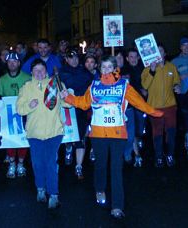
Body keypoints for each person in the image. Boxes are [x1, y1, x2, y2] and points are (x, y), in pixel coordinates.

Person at [61, 56, 163, 219]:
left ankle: (117, 206)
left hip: (118, 134)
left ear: (116, 68)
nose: (106, 70)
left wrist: (152, 112)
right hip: (98, 134)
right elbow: (83, 103)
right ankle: (100, 188)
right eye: (104, 67)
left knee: (116, 169)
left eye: (110, 67)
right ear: (100, 69)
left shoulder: (124, 85)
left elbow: (138, 102)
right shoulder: (94, 85)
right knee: (101, 165)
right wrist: (68, 97)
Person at [16, 59, 70, 209]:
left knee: (51, 162)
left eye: (42, 70)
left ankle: (53, 194)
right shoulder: (26, 87)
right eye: (36, 70)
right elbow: (19, 109)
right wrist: (29, 105)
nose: (39, 73)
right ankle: (40, 188)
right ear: (32, 72)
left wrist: (66, 96)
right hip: (34, 133)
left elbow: (67, 104)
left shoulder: (56, 83)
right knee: (37, 163)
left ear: (46, 72)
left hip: (54, 131)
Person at [141, 44, 181, 168]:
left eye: (161, 51)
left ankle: (170, 155)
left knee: (171, 132)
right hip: (154, 107)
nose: (158, 54)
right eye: (156, 52)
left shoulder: (171, 67)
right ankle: (158, 157)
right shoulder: (147, 69)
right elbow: (145, 86)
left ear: (164, 54)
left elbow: (176, 81)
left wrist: (177, 86)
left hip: (170, 106)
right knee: (157, 133)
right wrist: (152, 70)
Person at [0, 52, 31, 179]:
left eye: (14, 61)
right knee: (10, 138)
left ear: (19, 63)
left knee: (23, 137)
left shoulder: (27, 78)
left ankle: (21, 163)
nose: (12, 63)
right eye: (9, 61)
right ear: (7, 63)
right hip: (8, 115)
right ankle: (11, 163)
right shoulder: (2, 79)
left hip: (25, 113)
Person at [59, 49, 93, 179]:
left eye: (76, 57)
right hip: (65, 111)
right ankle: (68, 148)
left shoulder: (85, 73)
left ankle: (78, 165)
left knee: (80, 137)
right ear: (66, 59)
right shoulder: (60, 74)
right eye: (71, 57)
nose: (74, 60)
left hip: (81, 110)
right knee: (67, 136)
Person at [122, 48, 146, 167]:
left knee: (140, 127)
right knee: (131, 132)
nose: (133, 59)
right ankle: (130, 152)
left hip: (141, 103)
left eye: (135, 56)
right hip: (130, 105)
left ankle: (138, 139)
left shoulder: (143, 69)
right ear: (127, 58)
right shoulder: (124, 70)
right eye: (130, 57)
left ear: (138, 57)